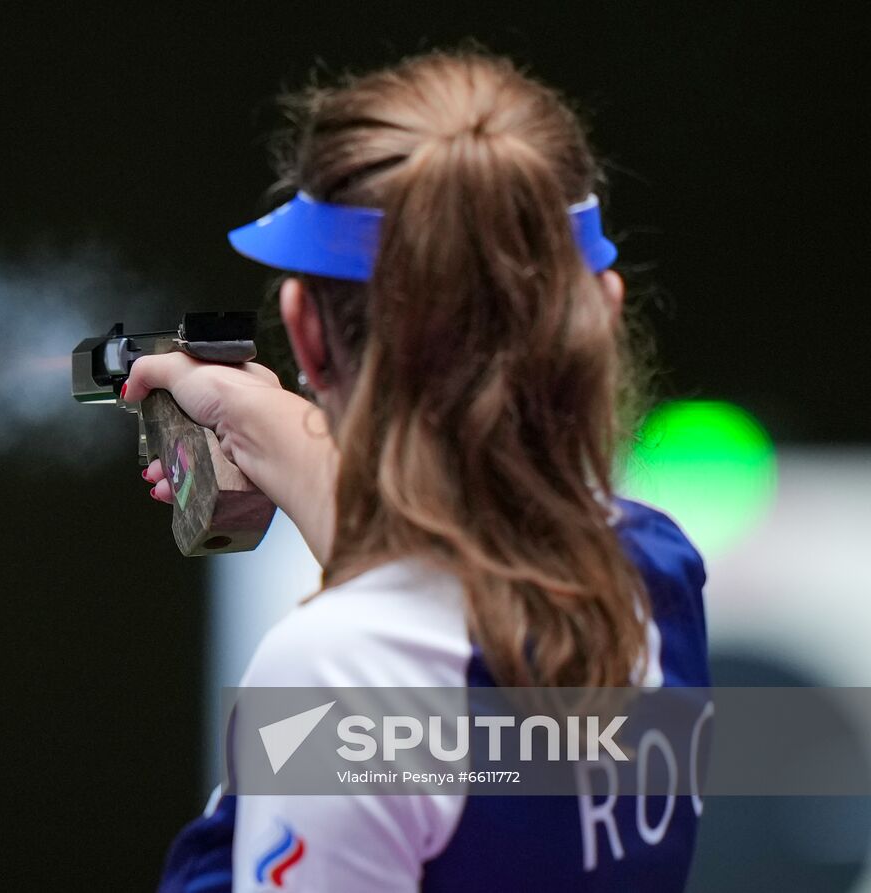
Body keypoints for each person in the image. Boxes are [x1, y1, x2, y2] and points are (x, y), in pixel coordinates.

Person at [126, 50, 710, 891]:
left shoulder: (338, 672)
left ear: (308, 331)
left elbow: (395, 657)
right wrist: (273, 430)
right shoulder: (655, 569)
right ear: (602, 312)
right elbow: (449, 622)